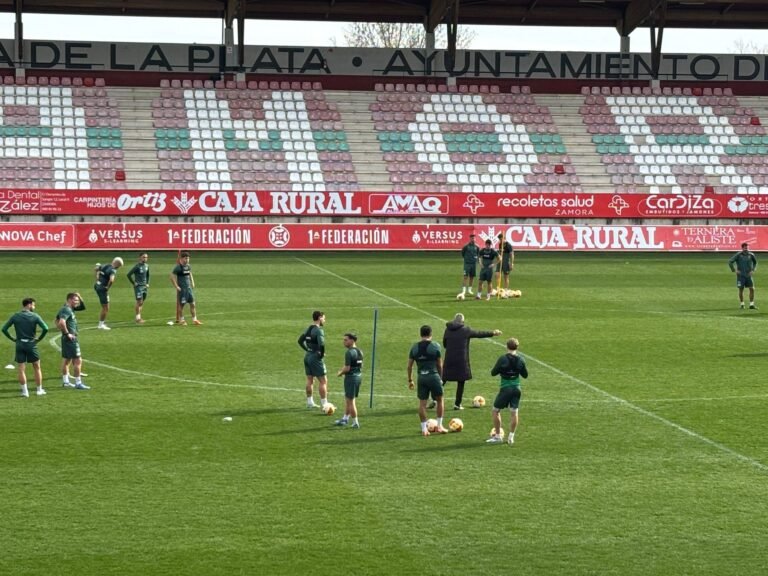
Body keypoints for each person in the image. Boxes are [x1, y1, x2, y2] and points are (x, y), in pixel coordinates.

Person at [442, 313, 502, 410]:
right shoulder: (466, 330)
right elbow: (479, 334)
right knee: (461, 381)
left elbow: (445, 344)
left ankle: (434, 399)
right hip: (461, 359)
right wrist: (493, 333)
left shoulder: (447, 329)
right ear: (463, 321)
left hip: (449, 358)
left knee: (443, 379)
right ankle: (457, 404)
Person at [2, 297, 49, 397]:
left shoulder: (15, 316)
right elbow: (45, 328)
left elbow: (4, 329)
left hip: (19, 344)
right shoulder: (35, 316)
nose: (34, 307)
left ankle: (25, 392)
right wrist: (39, 339)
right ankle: (39, 390)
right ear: (29, 305)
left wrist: (13, 339)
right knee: (37, 367)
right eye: (33, 305)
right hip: (31, 344)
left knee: (21, 369)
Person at [407, 325, 448, 436]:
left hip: (421, 377)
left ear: (421, 334)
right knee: (440, 400)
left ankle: (424, 429)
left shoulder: (414, 348)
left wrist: (410, 380)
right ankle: (439, 426)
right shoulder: (435, 346)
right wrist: (441, 378)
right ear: (431, 334)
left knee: (422, 404)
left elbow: (409, 366)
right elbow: (440, 364)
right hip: (433, 376)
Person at [487, 338, 528, 445]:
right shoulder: (521, 360)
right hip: (517, 388)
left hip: (505, 388)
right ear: (517, 347)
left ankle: (497, 436)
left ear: (507, 346)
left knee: (495, 410)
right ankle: (511, 437)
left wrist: (503, 370)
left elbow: (493, 373)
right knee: (514, 412)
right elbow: (525, 375)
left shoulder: (502, 359)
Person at [56, 292, 90, 390]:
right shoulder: (66, 310)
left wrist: (79, 296)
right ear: (69, 300)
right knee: (78, 360)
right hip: (70, 339)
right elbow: (61, 322)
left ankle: (66, 382)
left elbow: (82, 307)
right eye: (75, 300)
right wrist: (67, 334)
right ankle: (78, 383)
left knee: (67, 360)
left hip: (67, 338)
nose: (77, 302)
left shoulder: (68, 308)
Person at [298, 310, 328, 409]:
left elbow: (300, 341)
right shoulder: (319, 330)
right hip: (315, 357)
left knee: (310, 380)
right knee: (323, 381)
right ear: (319, 318)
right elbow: (322, 344)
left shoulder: (308, 328)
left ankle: (310, 402)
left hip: (307, 356)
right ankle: (325, 404)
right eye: (324, 318)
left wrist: (308, 349)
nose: (324, 320)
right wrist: (321, 354)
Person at [335, 332, 363, 428]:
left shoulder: (349, 352)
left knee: (351, 401)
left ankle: (355, 422)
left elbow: (347, 368)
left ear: (352, 340)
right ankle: (345, 419)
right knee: (348, 399)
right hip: (358, 376)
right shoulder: (360, 351)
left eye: (346, 340)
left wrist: (340, 373)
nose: (344, 342)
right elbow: (359, 366)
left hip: (351, 378)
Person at [170, 251, 202, 325]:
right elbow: (171, 276)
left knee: (193, 304)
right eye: (185, 258)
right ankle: (182, 320)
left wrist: (192, 282)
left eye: (188, 258)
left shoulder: (188, 266)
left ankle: (195, 320)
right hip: (182, 290)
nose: (187, 260)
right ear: (181, 259)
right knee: (181, 305)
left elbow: (190, 273)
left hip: (189, 288)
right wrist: (176, 286)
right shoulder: (178, 267)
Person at [93, 257, 124, 330]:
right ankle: (101, 325)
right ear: (117, 264)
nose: (118, 268)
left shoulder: (106, 265)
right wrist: (107, 287)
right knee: (106, 307)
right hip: (102, 289)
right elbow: (112, 280)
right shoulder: (113, 270)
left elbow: (96, 269)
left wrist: (97, 278)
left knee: (105, 306)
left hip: (97, 285)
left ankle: (102, 323)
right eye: (119, 266)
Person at [728, 242, 758, 310]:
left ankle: (751, 304)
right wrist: (734, 270)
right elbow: (730, 261)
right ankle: (742, 304)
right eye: (745, 247)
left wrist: (753, 270)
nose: (746, 249)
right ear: (742, 248)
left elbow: (755, 262)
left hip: (748, 275)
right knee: (741, 289)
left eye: (747, 247)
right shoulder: (738, 255)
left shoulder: (751, 255)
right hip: (741, 275)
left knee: (752, 289)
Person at [126, 252, 150, 324]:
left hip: (144, 286)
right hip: (138, 287)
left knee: (142, 302)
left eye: (146, 257)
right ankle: (137, 318)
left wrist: (147, 283)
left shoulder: (147, 266)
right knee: (139, 301)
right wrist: (134, 283)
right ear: (140, 258)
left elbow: (148, 275)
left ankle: (139, 317)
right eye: (143, 257)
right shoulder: (137, 266)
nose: (145, 258)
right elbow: (128, 275)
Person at [458, 232, 479, 298]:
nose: (473, 239)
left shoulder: (477, 247)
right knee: (465, 277)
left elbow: (478, 254)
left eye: (474, 238)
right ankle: (463, 290)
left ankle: (469, 289)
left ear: (475, 239)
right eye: (472, 238)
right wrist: (466, 259)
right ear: (470, 239)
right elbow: (463, 253)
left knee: (472, 277)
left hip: (473, 264)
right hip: (467, 264)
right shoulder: (466, 246)